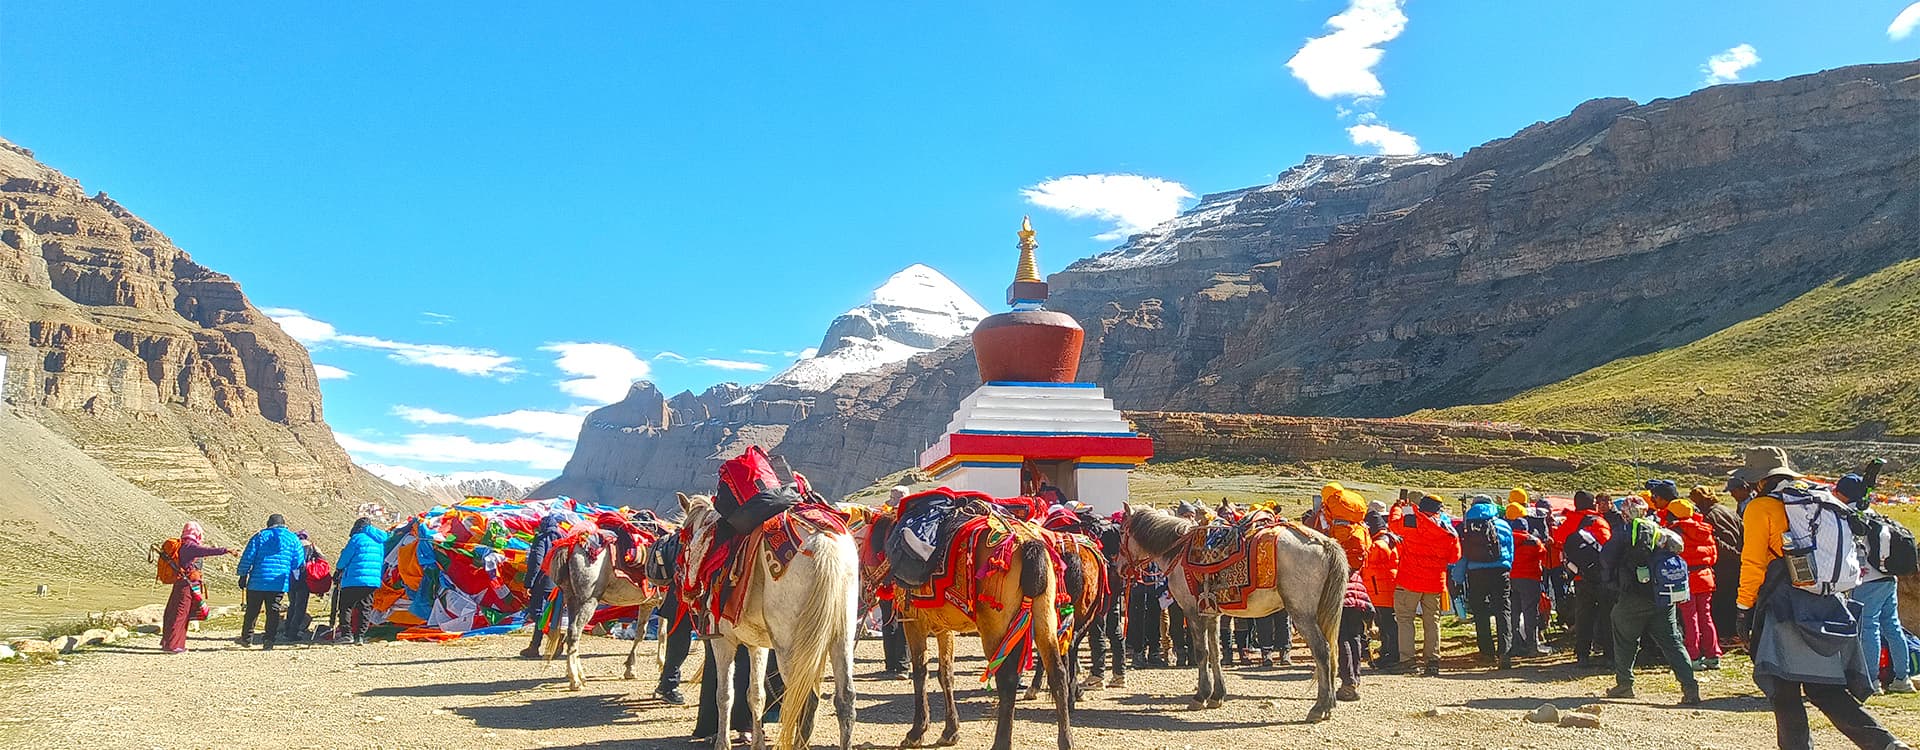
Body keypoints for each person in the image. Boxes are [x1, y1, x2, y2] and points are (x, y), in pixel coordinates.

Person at [1731, 446, 1905, 749]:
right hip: (1826, 600)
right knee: (1824, 688)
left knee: (1784, 688)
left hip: (1784, 603)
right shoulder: (1817, 497)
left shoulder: (1762, 507)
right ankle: (1885, 744)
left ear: (1758, 479)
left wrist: (1744, 608)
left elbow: (1754, 563)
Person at [1601, 495, 1700, 705]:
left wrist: (1612, 585)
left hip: (1634, 595)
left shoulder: (1624, 532)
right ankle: (1690, 687)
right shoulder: (1660, 530)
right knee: (1672, 642)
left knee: (1624, 636)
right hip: (1663, 596)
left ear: (1625, 513)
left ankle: (1624, 684)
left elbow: (1606, 559)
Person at [1844, 474, 1913, 695]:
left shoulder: (1851, 516)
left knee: (1868, 627)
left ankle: (1871, 680)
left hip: (1868, 579)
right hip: (1888, 577)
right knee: (1892, 626)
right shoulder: (1873, 514)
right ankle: (1902, 678)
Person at [1394, 494, 1461, 677]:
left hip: (1409, 580)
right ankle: (1432, 661)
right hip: (1435, 582)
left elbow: (1394, 525)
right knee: (1432, 620)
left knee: (1405, 619)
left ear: (1421, 506)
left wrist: (1398, 508)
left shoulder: (1411, 520)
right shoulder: (1447, 529)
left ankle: (1408, 661)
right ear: (1439, 510)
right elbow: (1455, 557)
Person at [1555, 491, 1614, 668]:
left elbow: (1558, 539)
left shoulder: (1570, 521)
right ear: (1592, 504)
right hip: (1601, 576)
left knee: (1583, 615)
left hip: (1580, 576)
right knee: (1606, 615)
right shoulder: (1598, 521)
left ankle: (1582, 655)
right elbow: (1607, 546)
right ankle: (1609, 655)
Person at [159, 521, 234, 654]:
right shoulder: (190, 546)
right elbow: (206, 551)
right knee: (181, 614)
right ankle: (173, 646)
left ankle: (168, 642)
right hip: (186, 585)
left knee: (173, 611)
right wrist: (225, 550)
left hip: (180, 583)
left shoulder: (182, 545)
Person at [235, 513, 305, 649]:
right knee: (273, 611)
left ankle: (246, 638)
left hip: (257, 581)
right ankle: (269, 639)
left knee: (252, 610)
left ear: (269, 524)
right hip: (278, 582)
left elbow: (248, 557)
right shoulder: (293, 538)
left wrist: (242, 575)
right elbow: (298, 561)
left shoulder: (260, 536)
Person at [1462, 494, 1515, 668]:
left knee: (1480, 612)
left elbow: (1463, 553)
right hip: (1500, 571)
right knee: (1503, 610)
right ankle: (1505, 652)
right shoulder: (1503, 524)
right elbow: (1510, 551)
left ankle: (1486, 652)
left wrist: (1458, 576)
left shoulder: (1468, 525)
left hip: (1476, 572)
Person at [1669, 498, 1722, 670]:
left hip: (1686, 578)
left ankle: (1693, 656)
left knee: (1689, 617)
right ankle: (1713, 655)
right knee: (1706, 616)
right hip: (1705, 576)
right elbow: (1713, 556)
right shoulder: (1704, 529)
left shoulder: (1675, 531)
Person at [1695, 485, 1745, 648]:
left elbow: (1716, 542)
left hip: (1723, 564)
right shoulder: (1728, 511)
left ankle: (1726, 636)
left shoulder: (1707, 516)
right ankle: (1738, 634)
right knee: (1734, 599)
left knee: (1722, 602)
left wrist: (1735, 554)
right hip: (1738, 562)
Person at [334, 517, 388, 646]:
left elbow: (345, 558)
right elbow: (381, 561)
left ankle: (347, 634)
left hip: (353, 579)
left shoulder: (356, 538)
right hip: (372, 580)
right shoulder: (379, 541)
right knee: (365, 607)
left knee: (346, 606)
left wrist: (339, 568)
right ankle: (360, 636)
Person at [1507, 501, 1550, 658]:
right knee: (1530, 612)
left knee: (1514, 613)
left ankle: (1514, 645)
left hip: (1511, 579)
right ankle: (1533, 646)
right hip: (1530, 579)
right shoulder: (1533, 541)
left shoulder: (1507, 540)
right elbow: (1544, 556)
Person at [520, 513, 566, 659]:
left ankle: (552, 639)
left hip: (542, 581)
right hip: (556, 582)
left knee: (538, 613)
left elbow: (536, 562)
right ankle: (535, 646)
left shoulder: (542, 538)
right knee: (549, 613)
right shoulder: (561, 539)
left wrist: (528, 583)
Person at [1362, 510, 1401, 669]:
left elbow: (1366, 560)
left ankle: (1391, 654)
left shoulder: (1378, 545)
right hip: (1385, 588)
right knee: (1387, 622)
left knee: (1387, 623)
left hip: (1381, 589)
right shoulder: (1390, 539)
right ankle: (1388, 651)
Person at [1336, 569, 1371, 701]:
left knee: (1343, 640)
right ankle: (1355, 678)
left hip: (1342, 600)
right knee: (1355, 639)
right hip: (1358, 600)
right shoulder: (1357, 567)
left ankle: (1348, 681)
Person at [282, 531, 323, 643]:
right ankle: (294, 632)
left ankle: (287, 629)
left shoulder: (291, 545)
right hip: (305, 579)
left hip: (291, 578)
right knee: (300, 606)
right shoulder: (311, 546)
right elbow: (322, 558)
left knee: (292, 604)